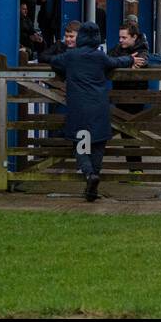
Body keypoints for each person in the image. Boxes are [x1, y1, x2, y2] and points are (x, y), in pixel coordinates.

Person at [48, 21, 146, 202]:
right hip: (99, 106)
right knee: (98, 144)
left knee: (81, 143)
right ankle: (93, 183)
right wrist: (131, 59)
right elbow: (116, 61)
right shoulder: (100, 57)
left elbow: (52, 60)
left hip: (79, 107)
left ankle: (89, 175)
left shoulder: (71, 56)